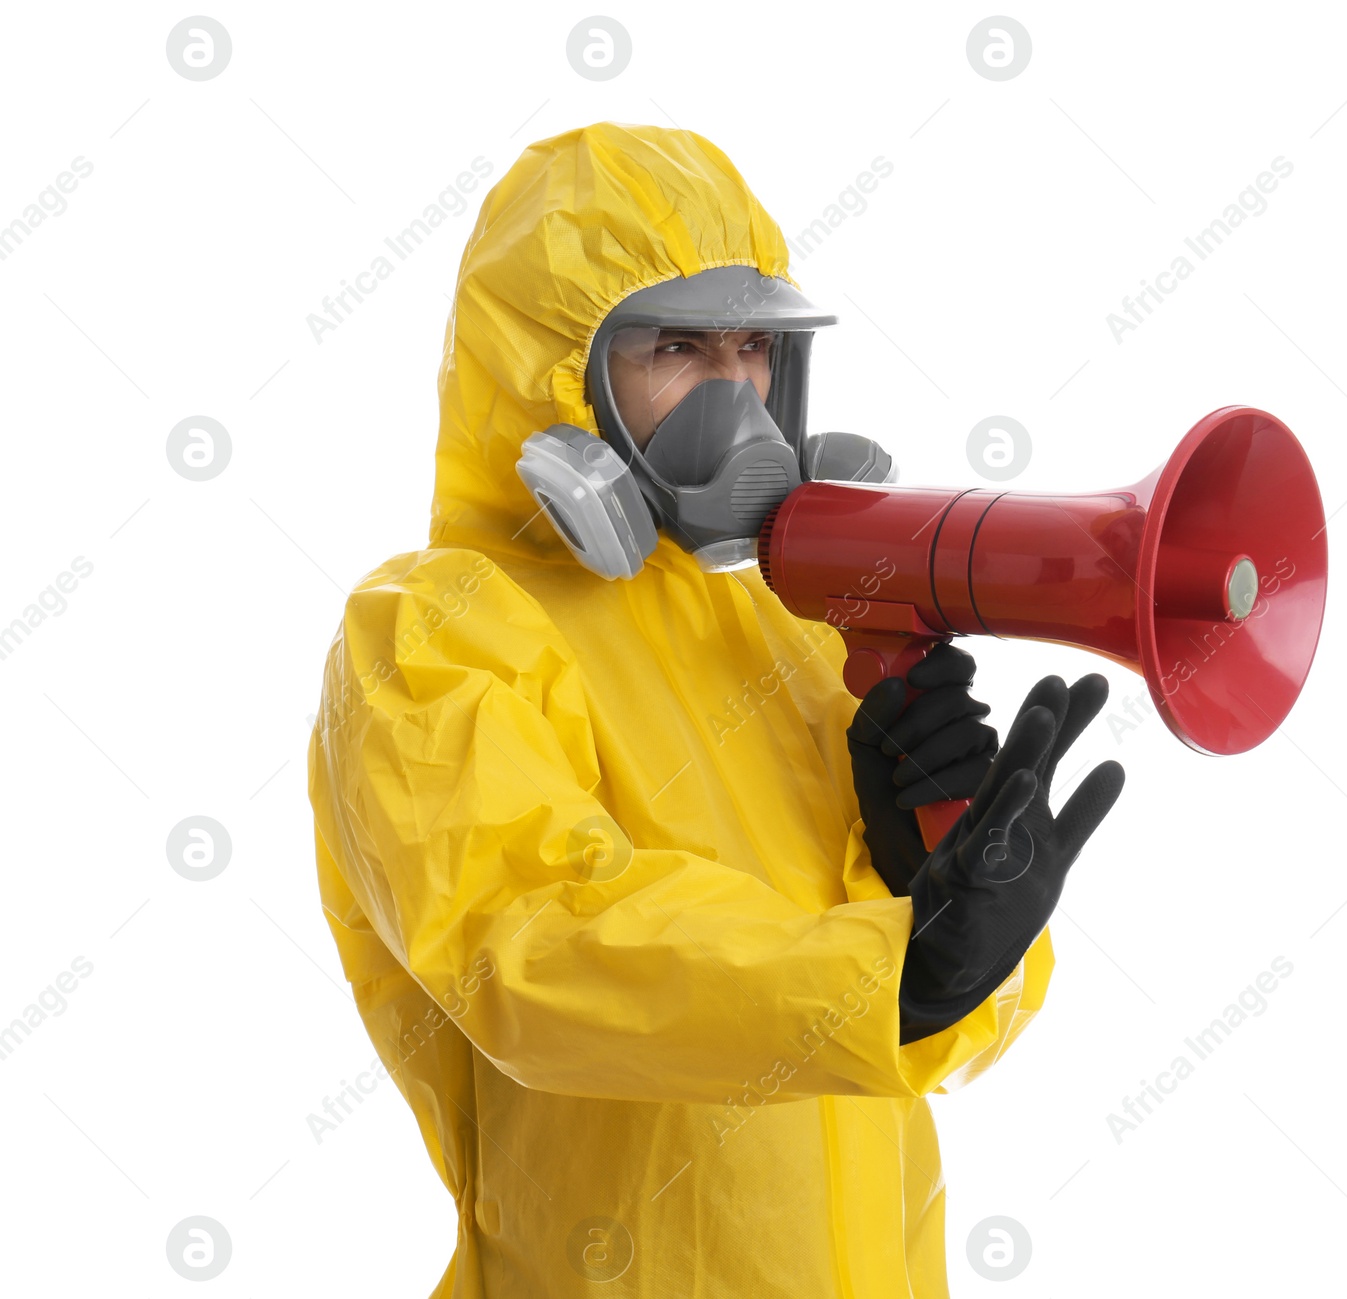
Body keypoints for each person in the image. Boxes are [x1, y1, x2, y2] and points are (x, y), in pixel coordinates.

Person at [307, 120, 1124, 1298]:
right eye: (678, 347)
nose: (734, 395)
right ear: (554, 370)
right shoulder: (441, 631)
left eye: (754, 348)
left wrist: (933, 888)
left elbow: (928, 1033)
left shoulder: (792, 625)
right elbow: (533, 944)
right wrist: (886, 974)